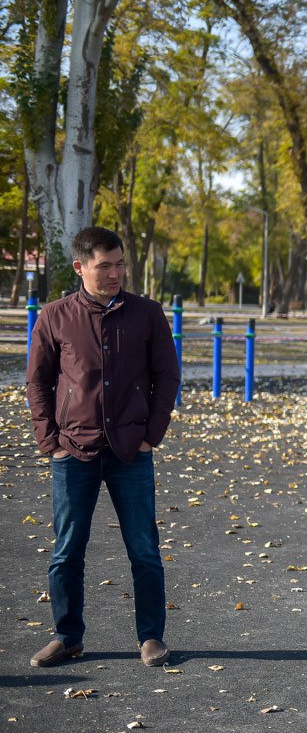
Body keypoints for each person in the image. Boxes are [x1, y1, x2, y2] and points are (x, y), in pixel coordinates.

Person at [25, 227, 180, 668]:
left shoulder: (147, 314)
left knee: (144, 549)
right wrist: (50, 442)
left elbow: (167, 376)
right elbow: (38, 382)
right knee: (67, 551)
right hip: (73, 450)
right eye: (104, 266)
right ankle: (67, 636)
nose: (115, 273)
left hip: (132, 450)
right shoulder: (55, 316)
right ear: (80, 267)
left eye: (120, 264)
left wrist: (151, 435)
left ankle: (151, 637)